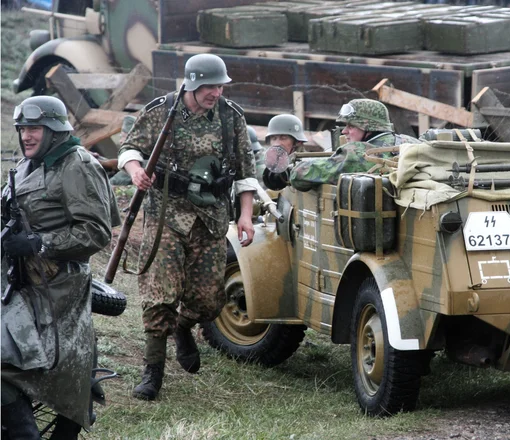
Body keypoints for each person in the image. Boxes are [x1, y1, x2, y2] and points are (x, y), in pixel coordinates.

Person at [118, 53, 257, 401]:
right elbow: (129, 148)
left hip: (210, 218)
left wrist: (245, 215)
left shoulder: (230, 118)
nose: (216, 93)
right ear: (192, 84)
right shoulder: (162, 110)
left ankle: (183, 327)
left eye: (220, 86)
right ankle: (153, 371)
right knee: (160, 294)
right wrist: (136, 171)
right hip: (166, 213)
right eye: (209, 86)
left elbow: (245, 172)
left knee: (209, 300)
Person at [1, 96, 119, 438]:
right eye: (22, 128)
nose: (26, 136)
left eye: (34, 128)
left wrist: (40, 242)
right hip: (21, 282)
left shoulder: (76, 165)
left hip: (55, 289)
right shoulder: (31, 163)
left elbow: (96, 232)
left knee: (10, 366)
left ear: (54, 130)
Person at [287, 99, 419, 192]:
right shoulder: (410, 143)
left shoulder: (356, 153)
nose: (344, 131)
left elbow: (300, 176)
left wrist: (289, 171)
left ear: (368, 127)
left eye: (351, 126)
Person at [260, 114, 308, 191]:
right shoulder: (270, 164)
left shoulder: (307, 165)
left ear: (298, 142)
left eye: (283, 138)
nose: (277, 143)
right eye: (274, 138)